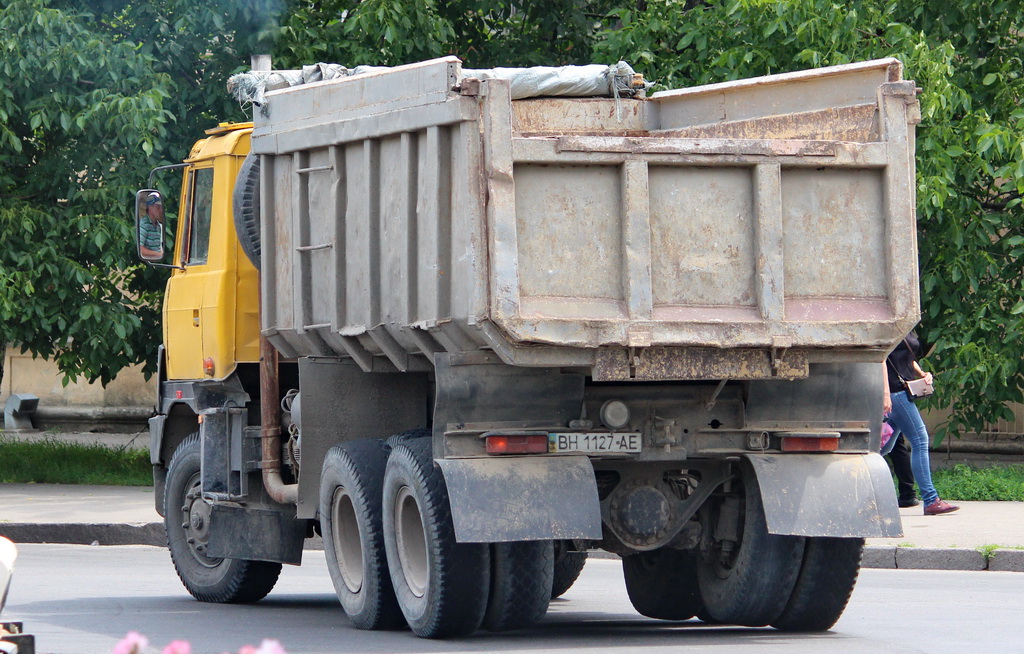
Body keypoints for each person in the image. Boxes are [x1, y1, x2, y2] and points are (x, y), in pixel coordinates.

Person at [881, 332, 958, 515]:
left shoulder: (907, 328)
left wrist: (923, 374)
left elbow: (907, 358)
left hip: (901, 392)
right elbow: (881, 359)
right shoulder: (888, 326)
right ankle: (931, 500)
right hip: (896, 393)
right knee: (920, 440)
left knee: (882, 448)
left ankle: (859, 489)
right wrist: (885, 394)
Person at [139, 192, 165, 259]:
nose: (161, 210)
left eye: (161, 207)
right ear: (150, 207)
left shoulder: (159, 226)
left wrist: (161, 254)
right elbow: (140, 249)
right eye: (158, 207)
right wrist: (158, 255)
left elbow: (160, 247)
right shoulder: (143, 224)